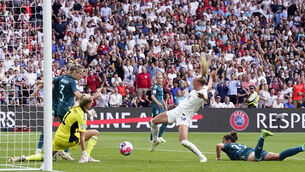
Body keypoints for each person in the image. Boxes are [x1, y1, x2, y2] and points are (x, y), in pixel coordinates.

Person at [150, 56, 216, 163]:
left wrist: (203, 97)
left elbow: (206, 96)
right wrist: (211, 77)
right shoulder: (202, 88)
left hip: (184, 117)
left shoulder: (202, 92)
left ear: (198, 83)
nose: (192, 82)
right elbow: (209, 85)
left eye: (194, 81)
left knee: (183, 141)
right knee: (153, 122)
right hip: (176, 111)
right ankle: (156, 139)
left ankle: (202, 157)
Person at [9, 95, 100, 163]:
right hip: (69, 140)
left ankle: (24, 158)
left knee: (47, 156)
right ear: (87, 104)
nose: (92, 104)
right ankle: (87, 156)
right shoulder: (81, 117)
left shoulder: (74, 107)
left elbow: (80, 106)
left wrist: (88, 113)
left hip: (58, 137)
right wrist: (83, 153)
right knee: (95, 132)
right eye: (91, 103)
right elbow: (82, 137)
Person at [216, 130, 304, 161]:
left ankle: (262, 136)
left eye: (223, 141)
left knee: (256, 159)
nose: (222, 143)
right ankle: (301, 148)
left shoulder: (228, 145)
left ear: (228, 141)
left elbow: (218, 145)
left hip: (244, 154)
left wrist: (218, 157)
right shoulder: (239, 144)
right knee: (279, 157)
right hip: (251, 149)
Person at [150, 72, 168, 143]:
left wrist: (165, 104)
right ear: (156, 79)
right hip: (156, 107)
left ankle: (159, 136)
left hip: (161, 106)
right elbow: (152, 96)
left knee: (166, 120)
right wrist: (158, 103)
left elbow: (161, 98)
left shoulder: (161, 87)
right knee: (155, 123)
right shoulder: (155, 86)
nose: (160, 79)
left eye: (161, 78)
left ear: (163, 79)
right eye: (158, 78)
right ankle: (152, 139)